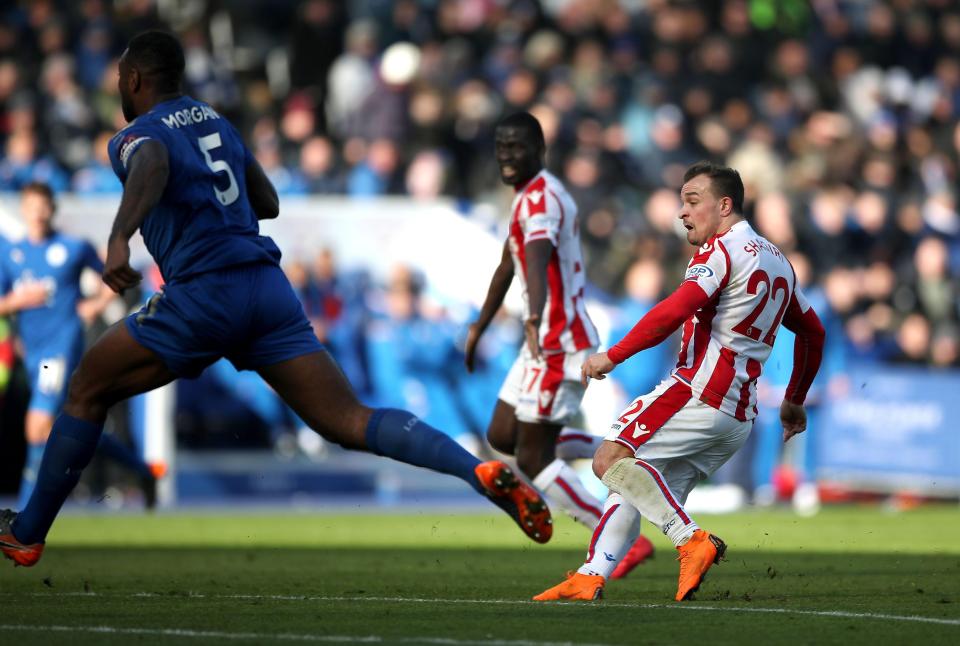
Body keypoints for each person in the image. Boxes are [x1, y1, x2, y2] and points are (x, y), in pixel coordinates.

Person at [0, 30, 551, 568]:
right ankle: (474, 471)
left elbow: (153, 164)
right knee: (348, 419)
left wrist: (122, 236)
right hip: (266, 290)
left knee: (87, 387)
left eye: (121, 78)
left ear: (135, 78)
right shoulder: (218, 122)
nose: (119, 87)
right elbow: (267, 200)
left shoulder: (135, 136)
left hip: (202, 292)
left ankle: (27, 533)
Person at [533, 161, 825, 602]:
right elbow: (813, 332)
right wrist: (794, 400)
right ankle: (591, 575)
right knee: (636, 487)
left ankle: (690, 539)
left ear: (724, 205)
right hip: (737, 418)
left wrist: (613, 355)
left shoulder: (721, 253)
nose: (682, 213)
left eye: (692, 201)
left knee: (608, 459)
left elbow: (672, 311)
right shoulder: (779, 261)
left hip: (698, 391)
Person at [464, 112, 653, 569]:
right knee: (502, 435)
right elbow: (508, 265)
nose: (508, 155)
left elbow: (536, 257)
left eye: (518, 146)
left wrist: (531, 314)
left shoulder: (544, 199)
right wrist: (480, 323)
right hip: (541, 340)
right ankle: (619, 448)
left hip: (559, 343)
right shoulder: (525, 198)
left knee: (531, 457)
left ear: (540, 150)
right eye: (502, 146)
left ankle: (615, 533)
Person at [0, 182, 157, 511]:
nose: (38, 213)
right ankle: (142, 472)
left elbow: (117, 275)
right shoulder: (10, 254)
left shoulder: (72, 247)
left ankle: (24, 519)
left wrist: (95, 305)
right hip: (32, 351)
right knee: (70, 424)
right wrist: (18, 300)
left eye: (44, 206)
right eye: (32, 206)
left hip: (58, 349)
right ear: (24, 210)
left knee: (37, 426)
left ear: (52, 210)